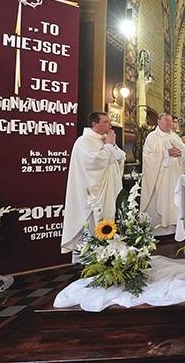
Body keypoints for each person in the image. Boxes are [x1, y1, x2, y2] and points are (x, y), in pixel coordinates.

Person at [61, 111, 126, 259]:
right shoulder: (84, 141)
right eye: (105, 122)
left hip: (110, 191)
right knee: (94, 225)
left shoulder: (103, 140)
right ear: (94, 124)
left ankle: (111, 255)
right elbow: (96, 162)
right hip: (95, 194)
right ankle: (93, 259)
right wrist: (109, 146)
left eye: (109, 121)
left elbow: (121, 156)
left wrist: (112, 146)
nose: (110, 124)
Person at [140, 113, 185, 235]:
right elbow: (147, 157)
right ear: (158, 121)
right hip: (162, 177)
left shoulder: (175, 137)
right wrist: (166, 153)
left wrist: (181, 153)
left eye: (171, 121)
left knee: (175, 199)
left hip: (176, 175)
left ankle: (175, 227)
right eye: (166, 121)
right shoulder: (152, 137)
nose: (169, 123)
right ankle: (159, 230)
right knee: (163, 199)